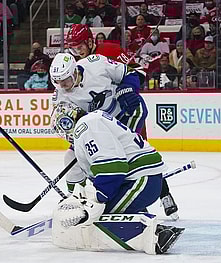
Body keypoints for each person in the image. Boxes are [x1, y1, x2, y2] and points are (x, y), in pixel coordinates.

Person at [65, 24, 178, 220]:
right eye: (73, 49)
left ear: (91, 42)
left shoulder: (108, 51)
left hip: (126, 113)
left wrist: (126, 89)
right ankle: (124, 200)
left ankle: (164, 194)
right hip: (104, 122)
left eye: (79, 47)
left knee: (135, 155)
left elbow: (136, 74)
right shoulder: (77, 69)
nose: (77, 53)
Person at [50, 101, 184, 254]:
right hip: (139, 180)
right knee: (99, 213)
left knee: (97, 218)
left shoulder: (85, 127)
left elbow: (113, 167)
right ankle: (140, 218)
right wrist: (76, 202)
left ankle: (155, 235)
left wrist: (98, 200)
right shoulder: (92, 120)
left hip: (141, 180)